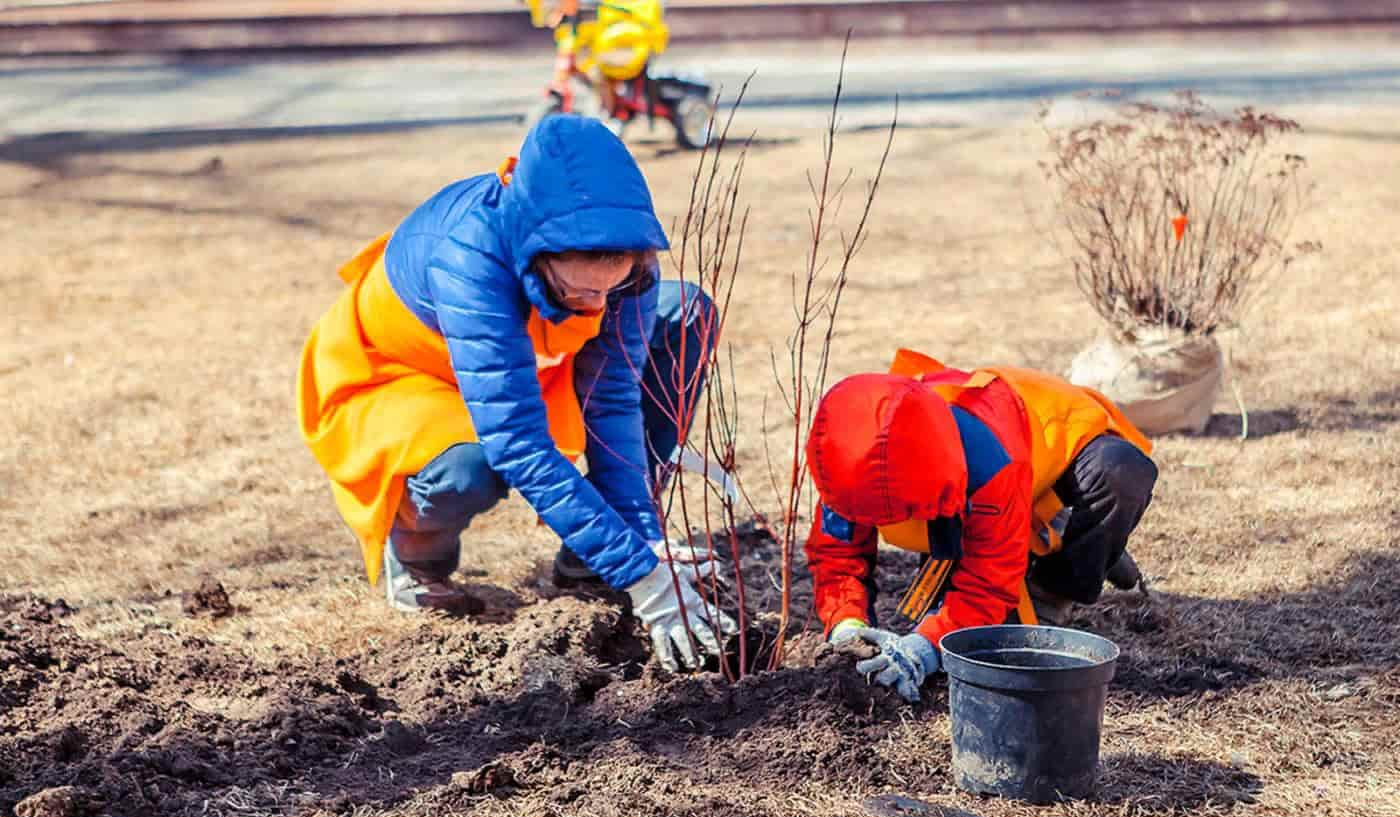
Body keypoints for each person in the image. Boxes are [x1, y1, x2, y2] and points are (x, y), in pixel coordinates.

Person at [297, 114, 733, 672]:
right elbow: (518, 444)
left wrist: (641, 543)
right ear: (535, 254)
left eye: (611, 287)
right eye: (579, 291)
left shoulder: (628, 263)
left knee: (685, 311)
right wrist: (642, 578)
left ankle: (589, 555)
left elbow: (613, 402)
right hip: (408, 375)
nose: (598, 307)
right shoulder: (469, 257)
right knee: (471, 465)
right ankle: (417, 552)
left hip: (526, 357)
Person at [805, 348, 1157, 702]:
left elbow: (988, 583)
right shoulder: (855, 460)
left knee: (1120, 474)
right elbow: (837, 557)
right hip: (981, 496)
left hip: (1058, 452)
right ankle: (1055, 532)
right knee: (958, 621)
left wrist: (925, 647)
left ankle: (1066, 564)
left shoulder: (987, 460)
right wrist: (847, 625)